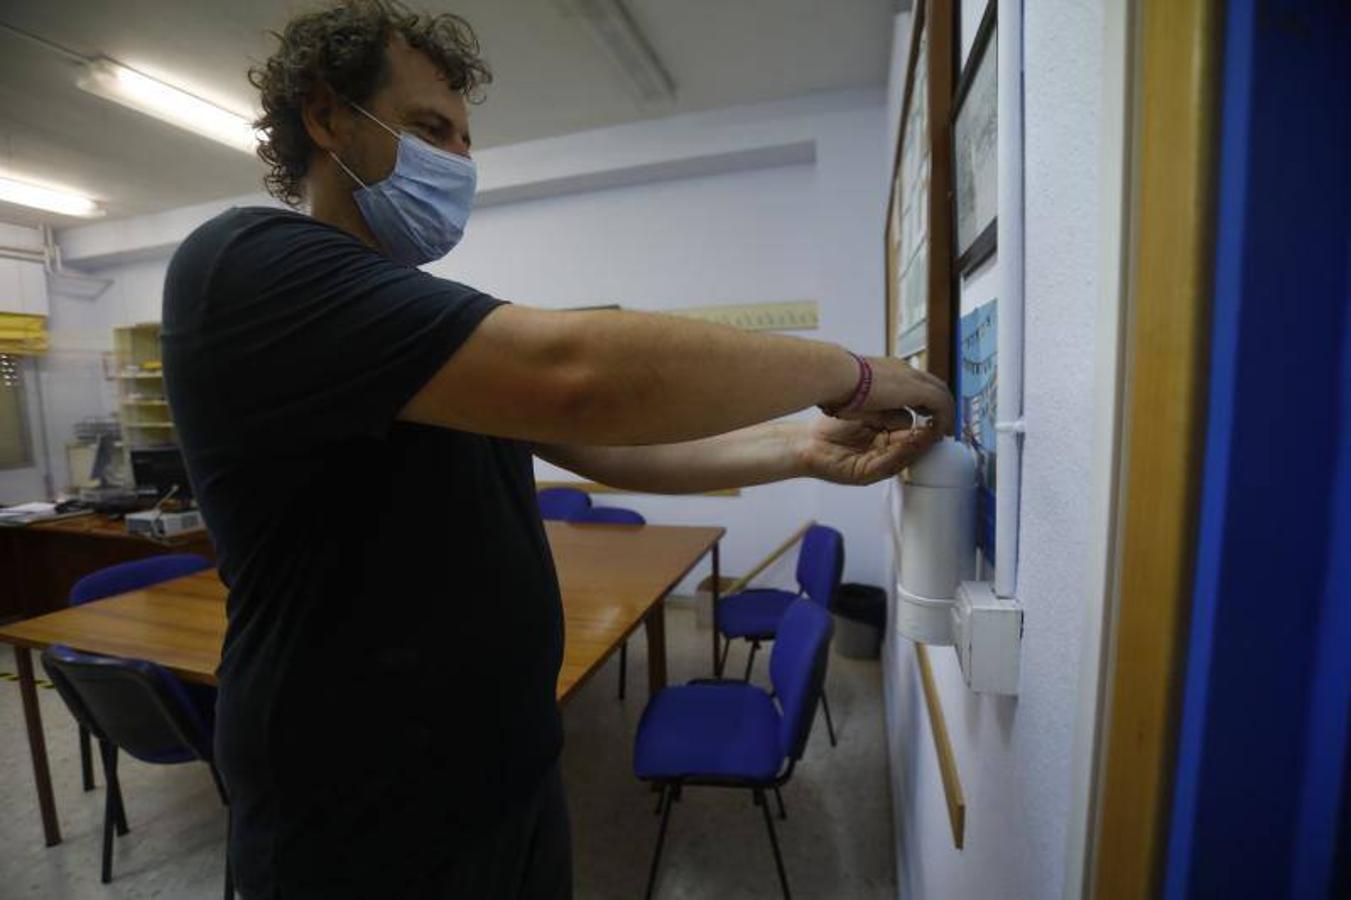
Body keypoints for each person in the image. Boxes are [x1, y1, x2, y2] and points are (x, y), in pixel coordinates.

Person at [161, 1, 954, 897]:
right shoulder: (247, 264)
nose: (456, 161)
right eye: (429, 128)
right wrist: (844, 374)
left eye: (463, 140)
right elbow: (579, 374)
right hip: (359, 797)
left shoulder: (418, 326)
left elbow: (604, 447)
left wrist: (802, 448)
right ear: (327, 116)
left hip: (504, 767)